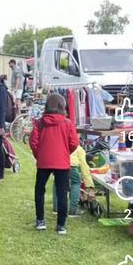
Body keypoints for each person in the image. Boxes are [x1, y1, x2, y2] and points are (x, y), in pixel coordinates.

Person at [29, 92, 79, 235]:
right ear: (63, 106)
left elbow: (33, 142)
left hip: (44, 161)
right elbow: (74, 143)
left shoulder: (40, 123)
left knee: (39, 190)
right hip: (62, 163)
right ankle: (61, 225)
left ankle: (40, 221)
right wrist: (65, 152)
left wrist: (39, 155)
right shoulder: (68, 123)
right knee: (62, 192)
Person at [53, 145, 95, 217]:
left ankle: (56, 208)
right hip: (71, 166)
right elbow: (84, 166)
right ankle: (73, 210)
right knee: (75, 183)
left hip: (57, 165)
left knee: (57, 183)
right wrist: (89, 185)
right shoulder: (79, 148)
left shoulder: (59, 143)